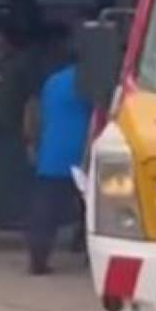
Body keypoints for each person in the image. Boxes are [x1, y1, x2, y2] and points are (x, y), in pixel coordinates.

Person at [29, 35, 91, 275]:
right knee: (90, 207)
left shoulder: (52, 81)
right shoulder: (90, 83)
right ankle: (86, 249)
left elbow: (41, 114)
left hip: (52, 153)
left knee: (45, 211)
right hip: (82, 153)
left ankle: (38, 259)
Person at [0, 23, 43, 231]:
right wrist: (30, 131)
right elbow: (30, 101)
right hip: (8, 125)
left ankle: (4, 216)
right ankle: (10, 216)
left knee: (0, 173)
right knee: (10, 172)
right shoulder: (21, 66)